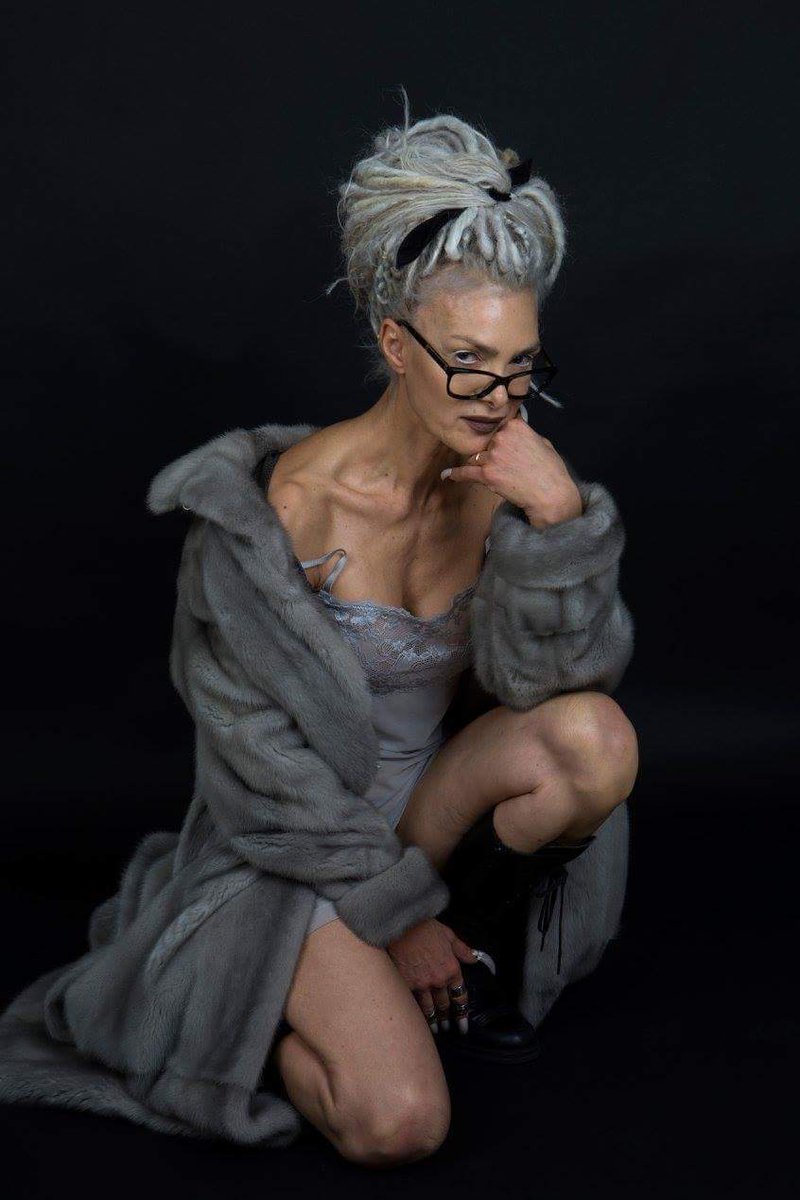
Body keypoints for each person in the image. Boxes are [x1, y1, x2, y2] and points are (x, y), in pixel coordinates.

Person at [0, 94, 637, 1166]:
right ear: (395, 342)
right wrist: (392, 913)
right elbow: (257, 767)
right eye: (470, 361)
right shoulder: (282, 513)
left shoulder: (506, 485)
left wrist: (559, 524)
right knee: (399, 1125)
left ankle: (452, 954)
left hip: (432, 815)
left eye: (522, 366)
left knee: (595, 738)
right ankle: (248, 1026)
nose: (499, 399)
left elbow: (559, 685)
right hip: (292, 843)